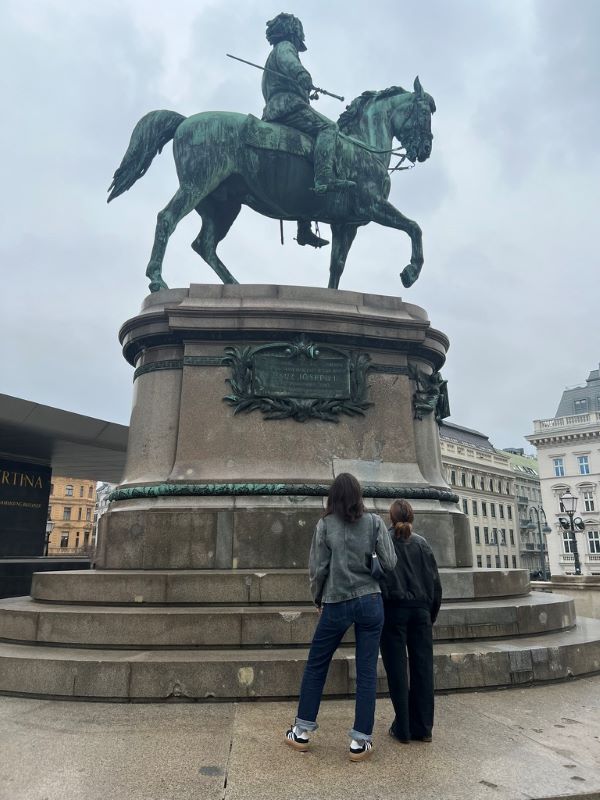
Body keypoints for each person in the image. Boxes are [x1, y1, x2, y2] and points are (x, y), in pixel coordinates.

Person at [284, 473, 397, 761]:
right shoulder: (373, 523)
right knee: (367, 671)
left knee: (317, 665)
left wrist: (317, 598)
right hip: (370, 601)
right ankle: (360, 741)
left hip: (336, 602)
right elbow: (390, 562)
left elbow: (317, 569)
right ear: (359, 496)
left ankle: (302, 731)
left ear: (332, 497)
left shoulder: (325, 525)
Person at [262, 13, 356, 250]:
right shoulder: (284, 47)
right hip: (287, 107)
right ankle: (324, 177)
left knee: (307, 156)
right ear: (294, 32)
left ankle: (303, 229)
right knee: (329, 127)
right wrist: (303, 76)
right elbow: (291, 63)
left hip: (281, 107)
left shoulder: (274, 53)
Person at [379, 499, 442, 743]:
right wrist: (431, 613)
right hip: (421, 613)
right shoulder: (422, 544)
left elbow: (380, 577)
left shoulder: (384, 542)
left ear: (390, 517)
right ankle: (424, 728)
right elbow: (434, 583)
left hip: (393, 612)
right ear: (411, 517)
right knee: (423, 670)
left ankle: (403, 728)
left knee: (397, 671)